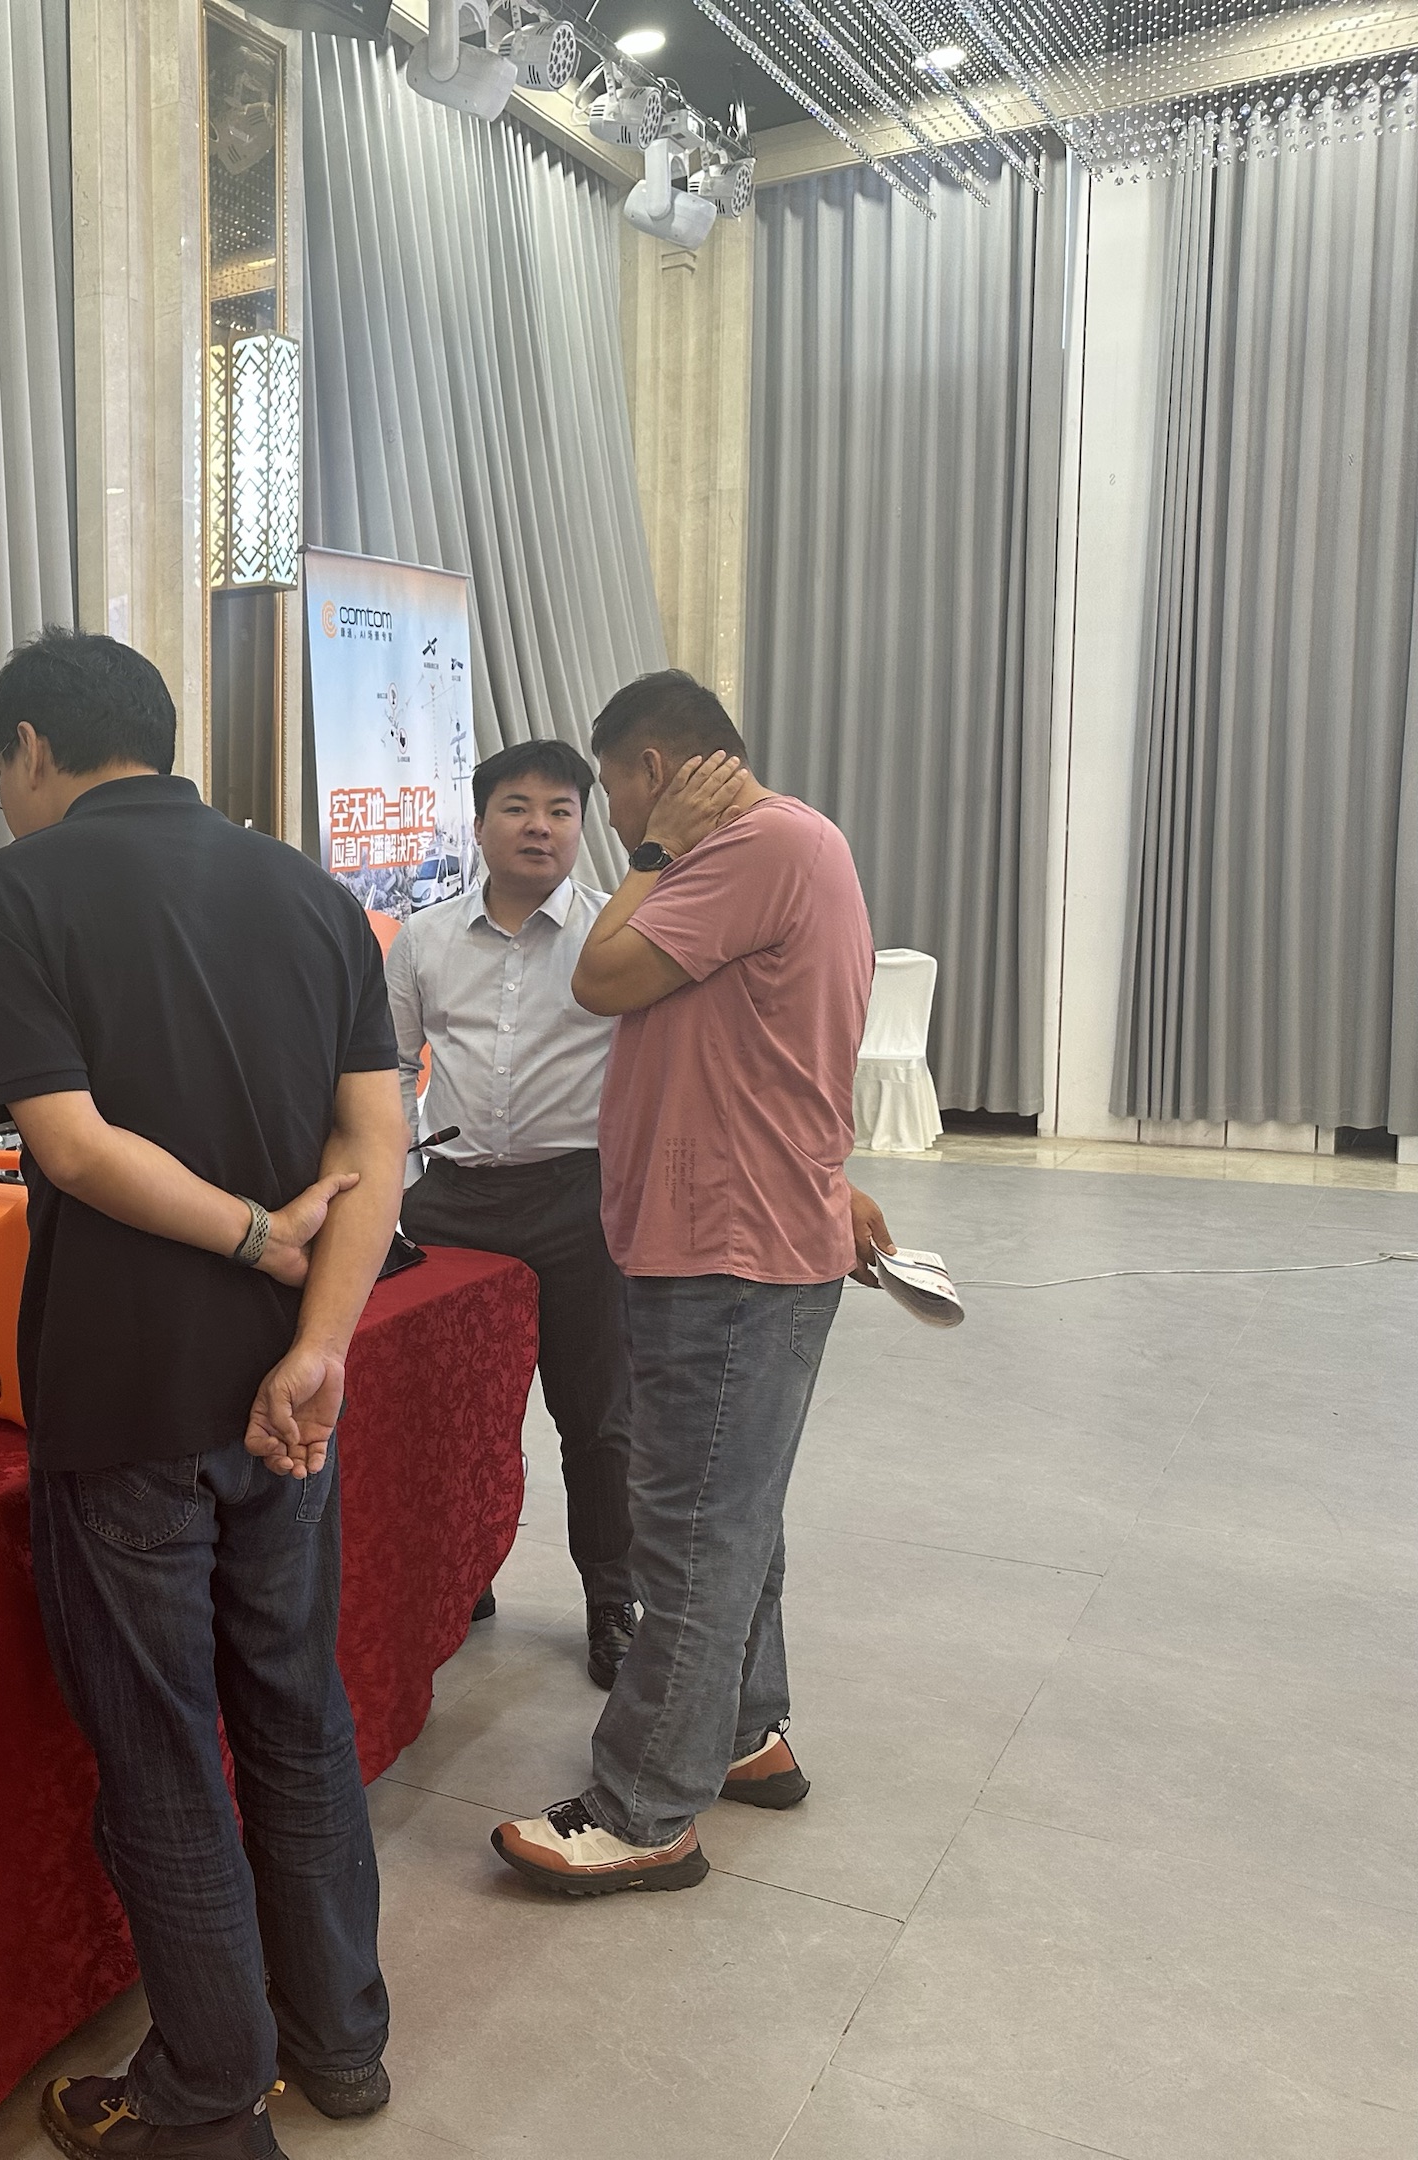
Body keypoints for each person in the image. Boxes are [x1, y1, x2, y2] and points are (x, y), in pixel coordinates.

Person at [0, 629, 407, 2158]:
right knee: (295, 1708)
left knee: (160, 1747)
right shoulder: (313, 893)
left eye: (0, 764)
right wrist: (319, 1344)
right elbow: (377, 1151)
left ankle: (209, 2093)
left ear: (33, 749)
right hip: (288, 1395)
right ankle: (341, 2042)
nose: (2, 789)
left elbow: (72, 1148)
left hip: (128, 1385)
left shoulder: (20, 889)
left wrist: (249, 1234)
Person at [490, 670, 892, 1896]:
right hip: (742, 1232)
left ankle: (645, 1807)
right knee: (733, 1514)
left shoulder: (747, 847)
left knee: (690, 1535)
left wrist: (659, 850)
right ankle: (742, 1729)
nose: (606, 821)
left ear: (654, 772)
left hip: (726, 1248)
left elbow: (600, 977)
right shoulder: (794, 845)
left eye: (609, 794)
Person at [387, 737, 638, 1688]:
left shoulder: (615, 937)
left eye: (561, 810)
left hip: (577, 1199)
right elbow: (389, 1069)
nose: (541, 827)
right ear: (480, 820)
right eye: (519, 808)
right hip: (452, 1202)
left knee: (597, 1417)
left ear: (581, 825)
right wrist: (390, 1194)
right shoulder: (424, 940)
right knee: (453, 1414)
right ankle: (464, 1575)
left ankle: (611, 1598)